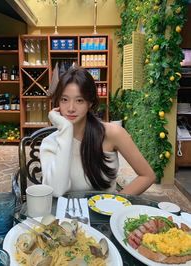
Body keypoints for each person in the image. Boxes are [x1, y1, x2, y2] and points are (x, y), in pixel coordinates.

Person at [40, 67, 156, 197]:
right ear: (57, 103)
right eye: (64, 100)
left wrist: (115, 203)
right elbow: (56, 190)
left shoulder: (112, 133)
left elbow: (148, 176)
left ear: (90, 103)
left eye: (79, 100)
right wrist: (66, 131)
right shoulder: (49, 143)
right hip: (66, 215)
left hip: (106, 214)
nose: (71, 108)